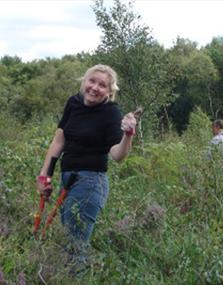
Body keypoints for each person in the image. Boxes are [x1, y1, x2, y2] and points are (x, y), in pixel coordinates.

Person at [36, 64, 137, 273]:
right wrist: (45, 175)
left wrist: (128, 135)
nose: (95, 87)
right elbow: (58, 141)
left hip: (91, 183)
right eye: (92, 81)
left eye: (102, 85)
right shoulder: (73, 103)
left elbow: (117, 155)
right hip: (67, 178)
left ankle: (75, 277)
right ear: (84, 81)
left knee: (74, 246)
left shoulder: (110, 113)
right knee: (68, 239)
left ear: (109, 92)